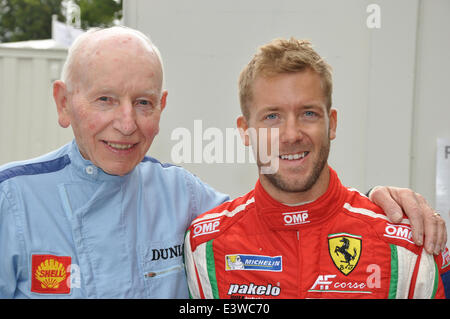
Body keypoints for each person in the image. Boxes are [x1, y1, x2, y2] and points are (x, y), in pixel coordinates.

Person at [0, 27, 445, 298]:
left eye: (143, 103)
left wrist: (376, 203)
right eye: (105, 100)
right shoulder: (11, 199)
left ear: (162, 107)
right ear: (63, 104)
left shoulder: (185, 198)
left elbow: (287, 207)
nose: (126, 123)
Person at [184, 38, 450, 299]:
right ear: (245, 131)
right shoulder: (205, 247)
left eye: (308, 113)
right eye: (272, 116)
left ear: (331, 124)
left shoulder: (407, 245)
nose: (291, 135)